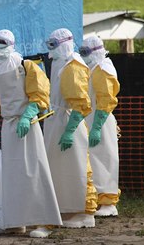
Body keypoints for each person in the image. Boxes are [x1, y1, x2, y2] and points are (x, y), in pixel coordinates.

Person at [0, 29, 62, 238]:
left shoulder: (27, 67)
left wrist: (29, 115)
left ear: (12, 44)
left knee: (34, 170)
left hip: (28, 125)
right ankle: (14, 221)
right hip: (8, 127)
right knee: (12, 176)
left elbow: (40, 93)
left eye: (3, 43)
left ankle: (44, 221)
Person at [42, 28, 97, 228]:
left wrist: (69, 131)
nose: (51, 51)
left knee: (79, 168)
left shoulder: (73, 66)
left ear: (64, 44)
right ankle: (68, 209)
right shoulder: (59, 63)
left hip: (67, 121)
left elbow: (81, 103)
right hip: (56, 120)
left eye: (54, 45)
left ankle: (86, 212)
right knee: (61, 168)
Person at [79, 36, 121, 217]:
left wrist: (97, 126)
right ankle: (96, 199)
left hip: (101, 121)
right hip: (91, 120)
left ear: (96, 50)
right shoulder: (92, 68)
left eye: (86, 52)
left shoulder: (103, 68)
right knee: (94, 160)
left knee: (105, 160)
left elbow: (107, 99)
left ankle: (109, 203)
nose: (83, 56)